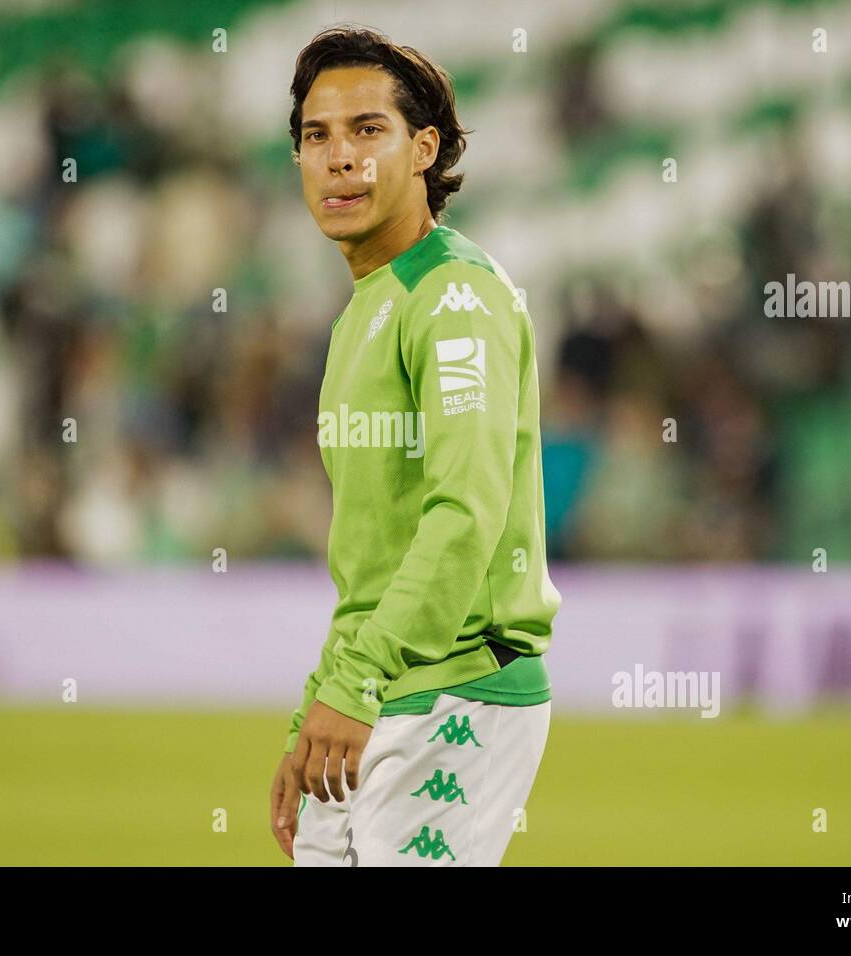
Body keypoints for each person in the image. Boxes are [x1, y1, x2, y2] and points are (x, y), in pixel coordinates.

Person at [269, 26, 561, 866]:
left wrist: (355, 684)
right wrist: (312, 711)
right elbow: (370, 560)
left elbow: (463, 515)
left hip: (457, 689)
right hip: (377, 689)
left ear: (423, 149)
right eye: (316, 136)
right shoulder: (362, 313)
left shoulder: (456, 295)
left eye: (368, 130)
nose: (339, 159)